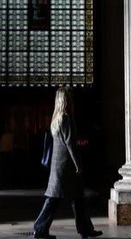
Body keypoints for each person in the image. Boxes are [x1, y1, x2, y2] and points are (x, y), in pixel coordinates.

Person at [32, 87, 102, 239]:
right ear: (65, 100)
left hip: (59, 166)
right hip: (66, 167)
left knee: (76, 199)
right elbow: (71, 144)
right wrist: (78, 164)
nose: (72, 100)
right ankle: (40, 228)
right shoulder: (65, 118)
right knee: (55, 199)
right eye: (70, 97)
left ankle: (85, 229)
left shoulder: (56, 118)